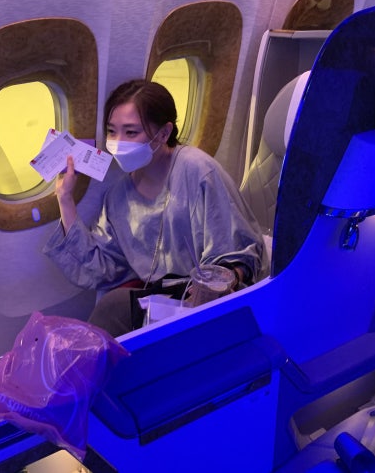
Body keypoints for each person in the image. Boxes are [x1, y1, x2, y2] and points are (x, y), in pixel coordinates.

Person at [43, 79, 268, 336]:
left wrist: (213, 286)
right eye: (112, 132)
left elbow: (236, 252)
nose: (118, 142)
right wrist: (65, 198)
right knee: (111, 307)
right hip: (164, 297)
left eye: (131, 132)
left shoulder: (197, 170)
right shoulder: (118, 197)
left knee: (115, 307)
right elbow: (101, 268)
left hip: (206, 297)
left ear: (163, 133)